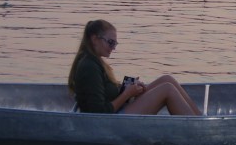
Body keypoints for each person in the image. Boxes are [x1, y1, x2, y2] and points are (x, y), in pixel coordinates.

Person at [67, 19, 201, 115]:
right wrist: (127, 94)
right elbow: (98, 113)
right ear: (94, 39)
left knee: (167, 79)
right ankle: (197, 131)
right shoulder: (89, 67)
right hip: (111, 121)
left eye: (115, 43)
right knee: (167, 89)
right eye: (110, 42)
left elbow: (105, 93)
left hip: (117, 112)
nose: (113, 48)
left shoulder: (95, 61)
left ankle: (201, 121)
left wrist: (131, 89)